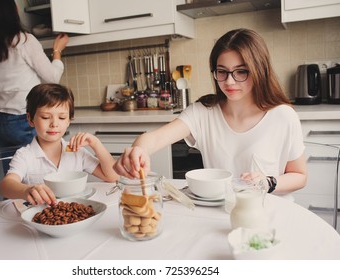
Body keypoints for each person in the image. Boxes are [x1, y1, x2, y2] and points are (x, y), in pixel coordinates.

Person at [114, 28, 307, 195]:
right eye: (222, 71)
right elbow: (155, 138)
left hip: (269, 215)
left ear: (259, 70)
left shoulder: (283, 116)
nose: (229, 81)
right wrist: (138, 150)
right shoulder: (203, 112)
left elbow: (300, 176)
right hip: (220, 215)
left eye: (241, 71)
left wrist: (268, 182)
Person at [0, 0, 69, 168]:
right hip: (25, 119)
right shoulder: (23, 40)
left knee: (13, 180)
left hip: (2, 121)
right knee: (41, 178)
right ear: (13, 10)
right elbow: (53, 77)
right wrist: (57, 51)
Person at [0, 84, 119, 206]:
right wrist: (26, 190)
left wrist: (95, 143)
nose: (54, 124)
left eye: (62, 117)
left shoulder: (76, 152)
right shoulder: (25, 155)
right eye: (45, 117)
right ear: (30, 119)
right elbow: (6, 186)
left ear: (69, 120)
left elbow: (113, 176)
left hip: (74, 216)